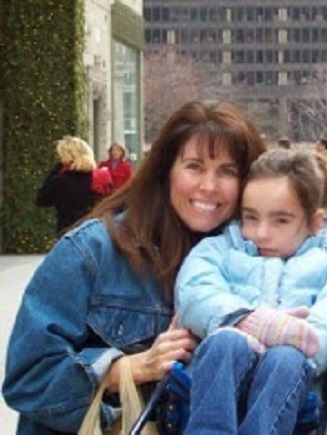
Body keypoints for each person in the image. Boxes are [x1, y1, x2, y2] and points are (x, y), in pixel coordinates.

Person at [2, 100, 267, 434]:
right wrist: (130, 368)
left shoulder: (263, 262)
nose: (209, 186)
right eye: (194, 166)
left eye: (227, 171)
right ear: (166, 169)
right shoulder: (92, 252)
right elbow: (28, 379)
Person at [174, 148, 327, 434]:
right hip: (220, 383)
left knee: (285, 359)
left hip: (292, 395)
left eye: (281, 220)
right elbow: (195, 292)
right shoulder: (221, 248)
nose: (261, 233)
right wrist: (249, 321)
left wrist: (296, 339)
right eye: (251, 218)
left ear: (314, 222)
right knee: (226, 342)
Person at [36, 135, 113, 236]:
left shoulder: (60, 180)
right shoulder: (101, 177)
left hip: (69, 233)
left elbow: (42, 200)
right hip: (95, 231)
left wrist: (55, 170)